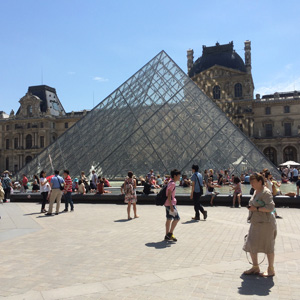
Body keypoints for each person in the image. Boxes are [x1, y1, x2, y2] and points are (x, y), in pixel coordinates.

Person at [243, 173, 277, 277]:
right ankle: (255, 267)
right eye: (251, 182)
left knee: (268, 246)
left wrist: (256, 209)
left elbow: (270, 208)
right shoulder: (256, 191)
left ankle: (270, 269)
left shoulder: (266, 192)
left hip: (266, 224)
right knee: (251, 244)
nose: (251, 184)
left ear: (260, 182)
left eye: (253, 182)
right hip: (256, 223)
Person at [164, 169, 181, 241]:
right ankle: (170, 234)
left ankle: (167, 235)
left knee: (169, 219)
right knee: (177, 218)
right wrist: (171, 206)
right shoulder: (173, 184)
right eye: (179, 175)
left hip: (167, 203)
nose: (180, 177)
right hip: (170, 204)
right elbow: (169, 195)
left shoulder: (170, 182)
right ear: (175, 176)